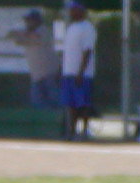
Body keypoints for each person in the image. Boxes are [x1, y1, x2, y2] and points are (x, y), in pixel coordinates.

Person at [6, 9, 61, 109]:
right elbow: (15, 38)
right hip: (37, 75)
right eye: (26, 20)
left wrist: (18, 33)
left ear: (37, 21)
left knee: (55, 101)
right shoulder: (29, 33)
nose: (27, 23)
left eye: (30, 20)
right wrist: (16, 34)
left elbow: (35, 37)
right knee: (38, 103)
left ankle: (63, 117)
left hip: (50, 73)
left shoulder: (43, 30)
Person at [59, 1, 97, 139]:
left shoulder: (87, 28)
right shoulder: (71, 28)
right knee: (70, 104)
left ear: (81, 11)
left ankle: (85, 131)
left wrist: (81, 72)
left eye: (74, 9)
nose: (71, 12)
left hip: (82, 74)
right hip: (68, 72)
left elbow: (87, 51)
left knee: (83, 104)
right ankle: (72, 131)